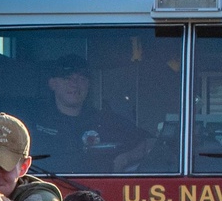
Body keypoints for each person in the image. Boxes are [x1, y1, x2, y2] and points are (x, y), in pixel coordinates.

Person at [23, 56, 152, 173]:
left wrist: (125, 158)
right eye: (67, 78)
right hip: (46, 191)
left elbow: (149, 142)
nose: (74, 84)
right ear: (52, 83)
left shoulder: (105, 120)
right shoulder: (34, 122)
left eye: (81, 78)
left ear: (88, 85)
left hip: (98, 192)